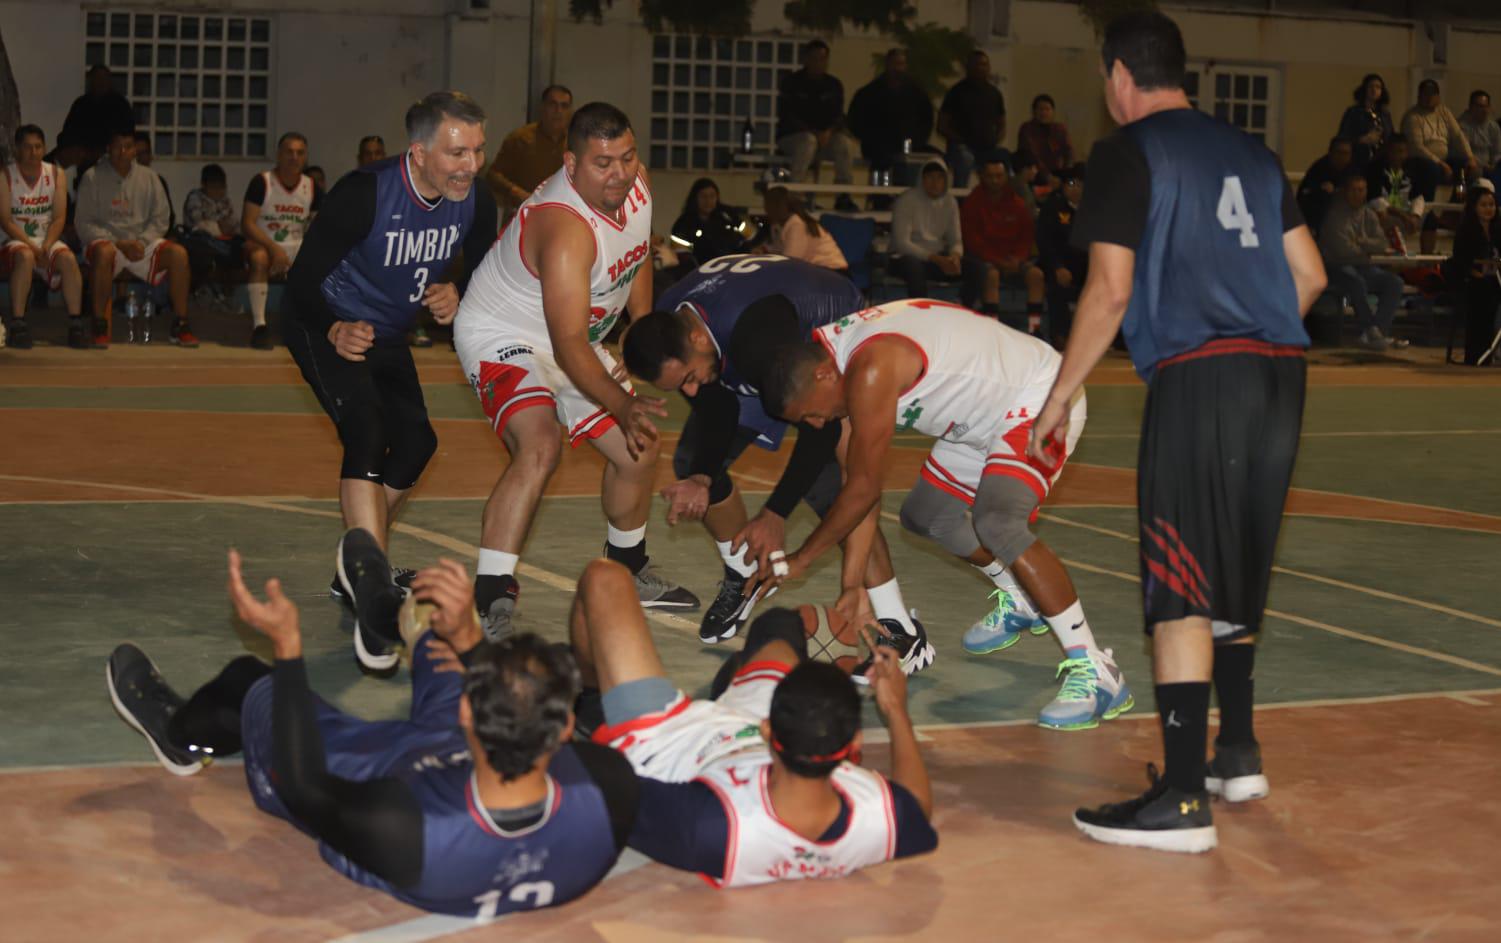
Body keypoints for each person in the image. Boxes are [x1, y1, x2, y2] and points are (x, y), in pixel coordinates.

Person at [1030, 11, 1327, 852]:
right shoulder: (1254, 153)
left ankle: (1182, 800)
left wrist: (1057, 397)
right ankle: (1236, 752)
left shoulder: (1127, 151)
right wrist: (1254, 324)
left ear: (1118, 74)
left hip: (1202, 377)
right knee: (1233, 569)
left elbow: (1109, 291)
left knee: (1181, 582)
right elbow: (1308, 275)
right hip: (1279, 372)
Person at [104, 536, 640, 918]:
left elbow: (302, 783)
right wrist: (469, 640)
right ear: (566, 726)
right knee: (436, 621)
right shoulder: (606, 788)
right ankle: (383, 617)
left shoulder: (396, 824)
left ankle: (177, 734)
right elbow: (511, 704)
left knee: (247, 680)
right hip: (463, 767)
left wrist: (288, 651)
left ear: (467, 713)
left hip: (375, 768)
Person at [759, 299, 1133, 729]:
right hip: (977, 419)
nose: (817, 423)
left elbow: (863, 490)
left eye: (810, 412)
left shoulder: (870, 368)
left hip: (1039, 395)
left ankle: (1095, 670)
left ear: (823, 375)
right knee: (927, 515)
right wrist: (851, 583)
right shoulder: (838, 361)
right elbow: (856, 487)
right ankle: (1020, 595)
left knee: (997, 522)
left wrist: (802, 559)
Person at [453, 102, 697, 642]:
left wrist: (642, 329)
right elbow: (565, 346)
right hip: (506, 335)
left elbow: (634, 259)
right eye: (603, 163)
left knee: (640, 445)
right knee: (540, 444)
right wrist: (622, 399)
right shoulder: (563, 227)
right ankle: (490, 593)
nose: (619, 175)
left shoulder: (636, 186)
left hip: (572, 333)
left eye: (627, 158)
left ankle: (627, 567)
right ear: (571, 163)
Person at [621, 253, 935, 674]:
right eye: (681, 386)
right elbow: (717, 407)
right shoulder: (676, 328)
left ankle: (901, 627)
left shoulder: (756, 341)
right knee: (694, 460)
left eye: (689, 378)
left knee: (837, 489)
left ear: (697, 338)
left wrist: (775, 514)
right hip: (759, 351)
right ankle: (744, 572)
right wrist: (699, 476)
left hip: (833, 341)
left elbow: (819, 431)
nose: (690, 392)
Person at [282, 90, 497, 675]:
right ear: (420, 151)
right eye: (457, 153)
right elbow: (298, 282)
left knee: (419, 442)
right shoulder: (365, 194)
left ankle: (356, 562)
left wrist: (460, 292)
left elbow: (481, 268)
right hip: (323, 318)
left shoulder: (477, 200)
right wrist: (331, 329)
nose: (470, 166)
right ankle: (372, 594)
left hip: (388, 329)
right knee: (367, 428)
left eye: (478, 150)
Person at [569, 558, 938, 886]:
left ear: (769, 731)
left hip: (666, 738)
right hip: (748, 723)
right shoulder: (874, 817)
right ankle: (734, 682)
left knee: (604, 578)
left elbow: (606, 786)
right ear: (853, 745)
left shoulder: (713, 828)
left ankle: (590, 699)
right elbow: (917, 803)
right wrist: (896, 710)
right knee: (780, 624)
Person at [75, 129, 197, 348]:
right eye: (117, 146)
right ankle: (98, 323)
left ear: (135, 150)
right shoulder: (92, 177)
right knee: (103, 252)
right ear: (108, 149)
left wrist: (141, 241)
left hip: (141, 244)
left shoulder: (149, 177)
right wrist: (118, 242)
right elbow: (83, 223)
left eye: (128, 146)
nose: (123, 152)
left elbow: (161, 218)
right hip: (108, 244)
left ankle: (181, 323)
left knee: (178, 254)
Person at [1, 124, 85, 349]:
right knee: (26, 256)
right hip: (17, 240)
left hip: (47, 239)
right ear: (18, 149)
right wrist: (33, 247)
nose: (33, 152)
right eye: (27, 147)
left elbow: (59, 217)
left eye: (38, 146)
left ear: (44, 148)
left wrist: (46, 246)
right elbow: (6, 221)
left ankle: (76, 323)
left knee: (68, 259)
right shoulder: (6, 175)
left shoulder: (56, 174)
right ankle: (18, 323)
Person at [244, 131, 321, 350]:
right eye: (289, 152)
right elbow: (247, 224)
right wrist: (275, 249)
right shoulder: (262, 182)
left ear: (306, 157)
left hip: (297, 245)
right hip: (263, 243)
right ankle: (259, 326)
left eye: (300, 153)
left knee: (321, 262)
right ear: (278, 155)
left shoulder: (312, 187)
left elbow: (319, 228)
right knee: (259, 258)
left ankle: (304, 326)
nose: (294, 157)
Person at [1318, 172, 1409, 351]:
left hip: (1364, 266)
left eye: (1361, 190)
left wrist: (1361, 242)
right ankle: (1369, 329)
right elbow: (1343, 250)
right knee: (1355, 280)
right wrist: (1368, 247)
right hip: (1335, 267)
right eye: (1353, 190)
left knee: (1394, 283)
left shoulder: (1369, 214)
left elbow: (1382, 242)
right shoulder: (1334, 216)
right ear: (1345, 192)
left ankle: (1377, 332)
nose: (1357, 194)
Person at [961, 153, 1046, 333]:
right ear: (982, 177)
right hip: (983, 261)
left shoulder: (1017, 203)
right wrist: (998, 260)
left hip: (1014, 260)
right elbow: (973, 241)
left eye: (999, 176)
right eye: (990, 176)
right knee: (991, 275)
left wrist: (1018, 258)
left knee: (1036, 275)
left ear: (1006, 177)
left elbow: (1026, 236)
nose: (995, 181)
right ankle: (993, 328)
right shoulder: (972, 203)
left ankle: (1034, 328)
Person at [888, 160, 986, 307]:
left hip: (937, 258)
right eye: (930, 177)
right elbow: (902, 244)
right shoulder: (906, 200)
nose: (935, 183)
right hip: (905, 258)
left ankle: (963, 307)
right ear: (922, 179)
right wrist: (936, 259)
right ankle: (920, 313)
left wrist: (955, 256)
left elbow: (956, 240)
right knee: (913, 267)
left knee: (976, 268)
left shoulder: (950, 202)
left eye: (940, 178)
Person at [846, 48, 934, 180]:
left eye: (901, 64)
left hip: (910, 146)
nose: (898, 68)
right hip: (878, 148)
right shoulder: (869, 93)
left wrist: (916, 141)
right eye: (895, 64)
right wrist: (872, 138)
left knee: (933, 159)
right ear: (887, 64)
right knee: (882, 163)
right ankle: (880, 198)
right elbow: (854, 121)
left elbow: (927, 120)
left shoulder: (917, 93)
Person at [776, 40, 853, 189]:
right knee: (808, 141)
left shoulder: (833, 85)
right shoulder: (791, 82)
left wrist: (828, 132)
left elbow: (839, 116)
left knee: (844, 143)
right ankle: (794, 190)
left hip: (826, 138)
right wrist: (814, 133)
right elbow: (788, 115)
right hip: (794, 137)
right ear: (806, 59)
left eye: (822, 59)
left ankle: (844, 193)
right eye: (814, 58)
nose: (818, 63)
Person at [486, 85, 572, 215]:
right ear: (542, 107)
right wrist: (515, 192)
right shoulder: (520, 139)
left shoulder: (576, 143)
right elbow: (493, 175)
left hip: (561, 217)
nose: (558, 111)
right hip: (523, 215)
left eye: (564, 106)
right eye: (552, 104)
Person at [1400, 79, 1478, 202]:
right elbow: (1417, 147)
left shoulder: (1444, 111)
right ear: (1419, 96)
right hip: (1421, 159)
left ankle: (1455, 206)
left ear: (1438, 97)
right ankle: (1426, 207)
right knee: (1432, 169)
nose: (1428, 98)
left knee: (1469, 168)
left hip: (1444, 158)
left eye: (1431, 95)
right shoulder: (1412, 116)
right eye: (1425, 94)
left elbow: (1458, 135)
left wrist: (1470, 156)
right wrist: (1441, 164)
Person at [1449, 183, 1501, 364]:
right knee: (1484, 293)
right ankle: (1478, 354)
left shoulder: (1497, 230)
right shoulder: (1466, 231)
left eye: (1492, 205)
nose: (1489, 209)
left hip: (1495, 279)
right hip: (1472, 281)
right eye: (1484, 205)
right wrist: (1474, 272)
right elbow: (1460, 261)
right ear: (1474, 207)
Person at [1035, 163, 1087, 345]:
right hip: (1057, 265)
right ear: (1064, 186)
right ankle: (1060, 335)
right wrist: (1057, 266)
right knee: (1057, 286)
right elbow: (1045, 241)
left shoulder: (1095, 211)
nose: (1075, 190)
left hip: (1086, 266)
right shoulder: (1053, 207)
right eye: (1071, 184)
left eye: (1081, 185)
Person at [938, 50, 1006, 188]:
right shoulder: (956, 92)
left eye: (985, 65)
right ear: (968, 67)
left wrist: (995, 139)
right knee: (965, 159)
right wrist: (960, 140)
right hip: (961, 147)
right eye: (977, 65)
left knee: (1004, 159)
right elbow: (942, 125)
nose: (981, 68)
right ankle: (960, 198)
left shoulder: (994, 94)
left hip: (988, 147)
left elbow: (1002, 122)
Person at [181, 163, 243, 308]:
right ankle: (197, 294)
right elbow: (198, 223)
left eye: (221, 187)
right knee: (202, 249)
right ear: (204, 185)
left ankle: (227, 295)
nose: (218, 191)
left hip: (222, 242)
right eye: (214, 187)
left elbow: (233, 222)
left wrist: (222, 227)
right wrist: (219, 226)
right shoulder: (195, 197)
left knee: (239, 247)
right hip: (199, 242)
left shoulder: (225, 199)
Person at [53, 65, 134, 169]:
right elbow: (68, 132)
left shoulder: (120, 105)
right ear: (90, 81)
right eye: (97, 78)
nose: (100, 82)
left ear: (109, 81)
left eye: (103, 78)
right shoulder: (81, 104)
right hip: (83, 154)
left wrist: (105, 149)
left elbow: (127, 134)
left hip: (109, 153)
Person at [759, 186, 847, 272]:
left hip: (833, 271)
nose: (766, 209)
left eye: (767, 205)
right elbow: (778, 251)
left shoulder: (797, 225)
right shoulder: (779, 225)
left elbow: (791, 262)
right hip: (820, 271)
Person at [668, 178, 751, 268]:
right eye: (703, 196)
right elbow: (681, 256)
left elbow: (749, 238)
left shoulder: (729, 216)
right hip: (700, 273)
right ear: (695, 198)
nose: (708, 201)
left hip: (734, 269)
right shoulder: (683, 224)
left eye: (712, 196)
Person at [1296, 137, 1354, 238]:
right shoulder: (1319, 169)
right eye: (1339, 152)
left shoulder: (1351, 169)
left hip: (1346, 219)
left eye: (1346, 153)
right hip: (1317, 220)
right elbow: (1305, 195)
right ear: (1331, 152)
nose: (1343, 157)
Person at [1338, 73, 1395, 170]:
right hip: (1358, 159)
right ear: (1364, 89)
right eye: (1371, 86)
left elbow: (1391, 136)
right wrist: (1362, 140)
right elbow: (1343, 137)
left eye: (1378, 87)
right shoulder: (1354, 112)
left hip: (1381, 161)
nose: (1374, 90)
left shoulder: (1385, 114)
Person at [1016, 94, 1073, 185]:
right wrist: (1047, 177)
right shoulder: (1027, 129)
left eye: (1047, 109)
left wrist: (1067, 172)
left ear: (1053, 111)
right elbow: (1032, 156)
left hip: (1057, 172)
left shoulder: (1059, 129)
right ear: (1034, 112)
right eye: (1040, 109)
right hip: (1035, 173)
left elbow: (1069, 152)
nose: (1044, 113)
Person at [1458, 90, 1501, 189]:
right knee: (1476, 171)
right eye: (1480, 106)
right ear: (1471, 106)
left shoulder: (1493, 127)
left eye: (1486, 106)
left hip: (1491, 166)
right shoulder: (1462, 125)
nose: (1484, 110)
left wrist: (1494, 164)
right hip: (1472, 164)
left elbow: (1497, 152)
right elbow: (1465, 151)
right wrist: (1483, 165)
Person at [131, 131, 174, 231]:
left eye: (144, 153)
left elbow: (168, 218)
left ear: (150, 155)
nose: (140, 158)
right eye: (137, 154)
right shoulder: (121, 182)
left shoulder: (158, 181)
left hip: (152, 235)